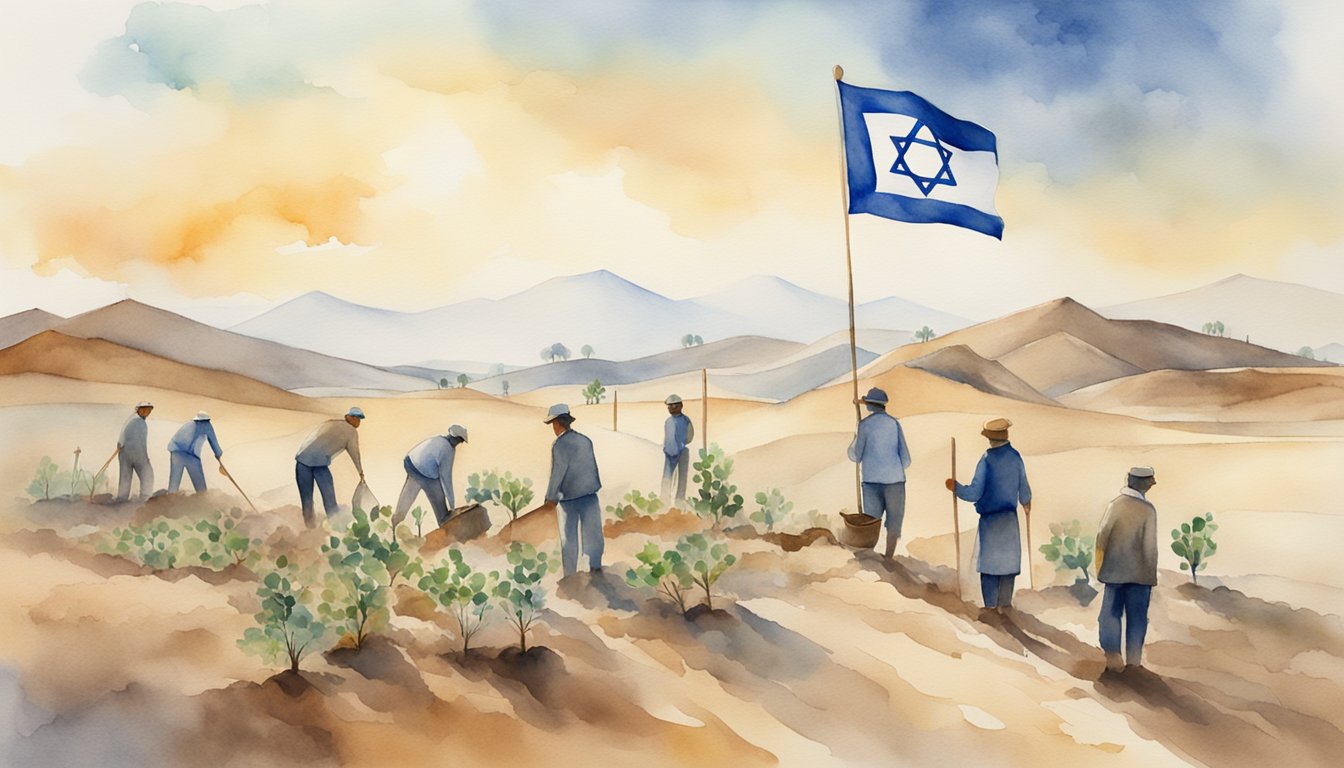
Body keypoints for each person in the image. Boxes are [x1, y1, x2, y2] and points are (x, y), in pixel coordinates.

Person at [945, 417, 1032, 614]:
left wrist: (955, 487)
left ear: (990, 438)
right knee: (1008, 567)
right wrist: (1026, 503)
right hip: (1010, 520)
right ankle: (1005, 610)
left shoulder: (987, 459)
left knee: (991, 569)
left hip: (991, 522)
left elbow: (974, 493)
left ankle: (992, 611)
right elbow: (1024, 491)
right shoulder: (1016, 457)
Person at [1095, 466, 1160, 671]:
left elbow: (1102, 537)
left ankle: (1112, 657)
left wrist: (1100, 567)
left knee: (1110, 614)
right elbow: (1150, 547)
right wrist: (1150, 575)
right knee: (1137, 617)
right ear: (1142, 482)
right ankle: (1133, 661)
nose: (1153, 483)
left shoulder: (1115, 505)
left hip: (1113, 572)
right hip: (1140, 575)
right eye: (1151, 480)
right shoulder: (1148, 510)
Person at [847, 387, 912, 559]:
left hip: (871, 481)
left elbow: (854, 455)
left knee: (872, 520)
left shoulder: (864, 425)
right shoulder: (894, 424)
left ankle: (872, 557)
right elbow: (906, 460)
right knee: (894, 522)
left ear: (868, 405)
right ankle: (889, 557)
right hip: (895, 481)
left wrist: (856, 436)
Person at [540, 404, 604, 577]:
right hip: (590, 495)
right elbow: (592, 469)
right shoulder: (585, 440)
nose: (553, 428)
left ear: (558, 424)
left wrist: (550, 498)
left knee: (569, 538)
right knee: (593, 533)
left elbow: (557, 473)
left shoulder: (559, 445)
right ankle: (596, 568)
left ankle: (569, 575)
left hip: (569, 499)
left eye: (553, 424)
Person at [295, 407, 366, 526]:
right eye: (358, 419)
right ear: (351, 417)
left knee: (307, 500)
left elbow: (312, 439)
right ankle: (335, 528)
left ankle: (310, 529)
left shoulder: (330, 423)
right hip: (319, 465)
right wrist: (360, 471)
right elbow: (355, 453)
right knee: (329, 500)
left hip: (302, 460)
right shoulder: (351, 432)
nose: (359, 422)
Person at [394, 424, 468, 528]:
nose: (459, 443)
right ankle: (444, 523)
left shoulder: (437, 439)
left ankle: (396, 520)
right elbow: (446, 478)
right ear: (456, 438)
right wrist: (452, 505)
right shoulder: (448, 450)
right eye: (460, 441)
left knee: (407, 498)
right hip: (426, 476)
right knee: (442, 513)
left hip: (411, 464)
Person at [166, 411, 224, 493]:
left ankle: (171, 497)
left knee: (175, 484)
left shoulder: (191, 425)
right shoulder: (205, 426)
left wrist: (219, 456)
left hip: (180, 453)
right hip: (182, 454)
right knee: (199, 488)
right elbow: (214, 443)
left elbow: (175, 440)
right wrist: (219, 457)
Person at [114, 401, 155, 502]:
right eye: (144, 409)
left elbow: (121, 440)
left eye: (149, 410)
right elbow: (140, 442)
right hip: (135, 453)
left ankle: (122, 499)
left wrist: (120, 446)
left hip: (124, 452)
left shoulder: (132, 419)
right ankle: (146, 497)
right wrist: (144, 457)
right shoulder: (139, 422)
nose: (147, 412)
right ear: (139, 410)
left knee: (125, 476)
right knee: (147, 473)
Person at [660, 394, 695, 507]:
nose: (670, 408)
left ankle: (679, 504)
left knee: (681, 479)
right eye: (669, 406)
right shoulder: (668, 421)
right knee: (667, 478)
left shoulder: (685, 420)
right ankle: (664, 503)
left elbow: (690, 436)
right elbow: (667, 437)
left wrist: (680, 445)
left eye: (673, 406)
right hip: (670, 453)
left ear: (680, 406)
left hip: (682, 452)